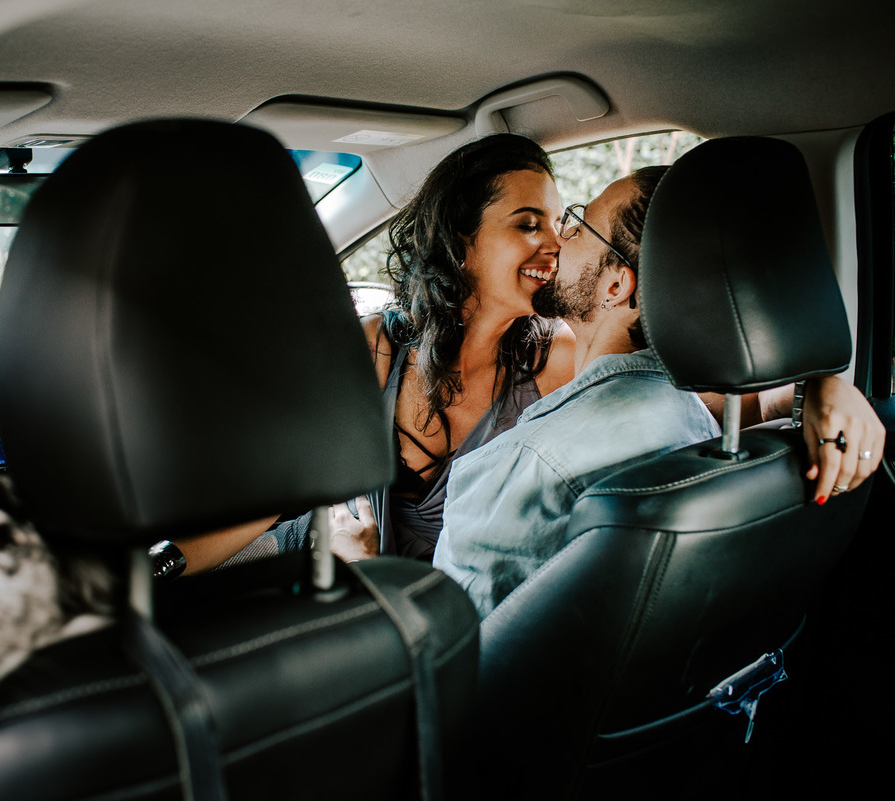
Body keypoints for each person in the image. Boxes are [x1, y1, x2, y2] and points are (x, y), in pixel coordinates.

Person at [170, 136, 881, 576]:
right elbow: (269, 501)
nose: (551, 243)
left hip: (430, 618)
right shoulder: (372, 351)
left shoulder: (562, 359)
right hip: (341, 575)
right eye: (527, 223)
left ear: (615, 281)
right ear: (461, 241)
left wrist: (825, 384)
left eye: (562, 222)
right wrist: (163, 570)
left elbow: (738, 384)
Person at [432, 166, 886, 618]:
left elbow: (441, 658)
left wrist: (363, 558)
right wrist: (817, 385)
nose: (556, 241)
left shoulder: (525, 464)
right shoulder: (702, 420)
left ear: (615, 285)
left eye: (577, 223)